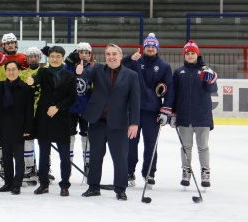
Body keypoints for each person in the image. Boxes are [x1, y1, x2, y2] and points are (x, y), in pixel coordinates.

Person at [77, 44, 140, 201]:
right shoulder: (98, 69)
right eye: (108, 54)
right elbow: (85, 74)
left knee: (120, 157)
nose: (111, 57)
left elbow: (135, 101)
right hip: (97, 121)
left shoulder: (131, 75)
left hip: (119, 122)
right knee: (96, 156)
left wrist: (134, 123)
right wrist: (80, 71)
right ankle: (93, 187)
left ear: (120, 55)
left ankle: (120, 189)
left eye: (114, 54)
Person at [121, 33, 173, 186]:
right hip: (133, 110)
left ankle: (149, 172)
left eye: (153, 46)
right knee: (131, 143)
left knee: (150, 144)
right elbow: (119, 66)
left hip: (152, 111)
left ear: (157, 48)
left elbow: (170, 89)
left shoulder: (164, 66)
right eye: (148, 46)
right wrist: (130, 58)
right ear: (144, 48)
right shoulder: (135, 61)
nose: (150, 48)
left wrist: (166, 110)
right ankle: (129, 171)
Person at [26, 45, 77, 196]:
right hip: (44, 117)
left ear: (62, 58)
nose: (55, 59)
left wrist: (58, 107)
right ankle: (43, 184)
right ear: (48, 58)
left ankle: (65, 185)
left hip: (61, 118)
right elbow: (36, 80)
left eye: (58, 56)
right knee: (44, 153)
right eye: (52, 56)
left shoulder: (70, 75)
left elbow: (72, 97)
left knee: (64, 155)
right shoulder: (43, 71)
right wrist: (31, 81)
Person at [0, 61, 35, 194]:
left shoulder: (26, 88)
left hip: (18, 127)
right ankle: (8, 183)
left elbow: (29, 110)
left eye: (13, 69)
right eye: (8, 70)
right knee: (7, 157)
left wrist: (28, 128)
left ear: (19, 71)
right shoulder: (1, 86)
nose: (11, 72)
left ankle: (17, 184)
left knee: (19, 158)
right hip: (3, 127)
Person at [168, 40, 218, 188]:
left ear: (197, 54)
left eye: (193, 53)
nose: (190, 55)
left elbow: (212, 89)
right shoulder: (178, 72)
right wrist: (173, 113)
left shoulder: (205, 70)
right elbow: (174, 94)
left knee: (203, 146)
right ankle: (186, 171)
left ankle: (205, 172)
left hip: (202, 116)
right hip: (184, 116)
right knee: (186, 146)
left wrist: (211, 81)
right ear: (184, 55)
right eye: (187, 53)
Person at [64, 42, 93, 175]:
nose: (83, 55)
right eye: (81, 52)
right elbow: (63, 78)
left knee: (86, 137)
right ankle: (68, 163)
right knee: (69, 136)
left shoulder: (92, 70)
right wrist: (68, 64)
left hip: (86, 109)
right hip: (70, 109)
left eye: (86, 53)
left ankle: (88, 163)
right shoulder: (69, 68)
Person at [19, 46, 43, 186]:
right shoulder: (22, 73)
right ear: (26, 59)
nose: (33, 58)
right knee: (28, 139)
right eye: (30, 56)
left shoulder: (44, 71)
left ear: (39, 58)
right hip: (27, 112)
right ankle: (29, 167)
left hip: (42, 111)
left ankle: (47, 167)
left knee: (44, 142)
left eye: (36, 56)